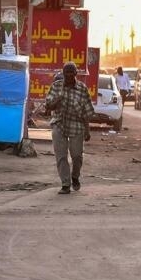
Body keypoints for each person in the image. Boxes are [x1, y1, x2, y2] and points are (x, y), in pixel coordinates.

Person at [44, 62, 95, 194]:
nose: (69, 76)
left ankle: (75, 176)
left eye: (71, 73)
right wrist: (59, 96)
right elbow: (48, 106)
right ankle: (65, 184)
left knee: (77, 156)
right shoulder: (56, 86)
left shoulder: (82, 89)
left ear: (76, 74)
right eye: (66, 73)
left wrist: (87, 130)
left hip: (76, 125)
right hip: (59, 123)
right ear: (63, 73)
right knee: (61, 155)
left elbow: (87, 112)